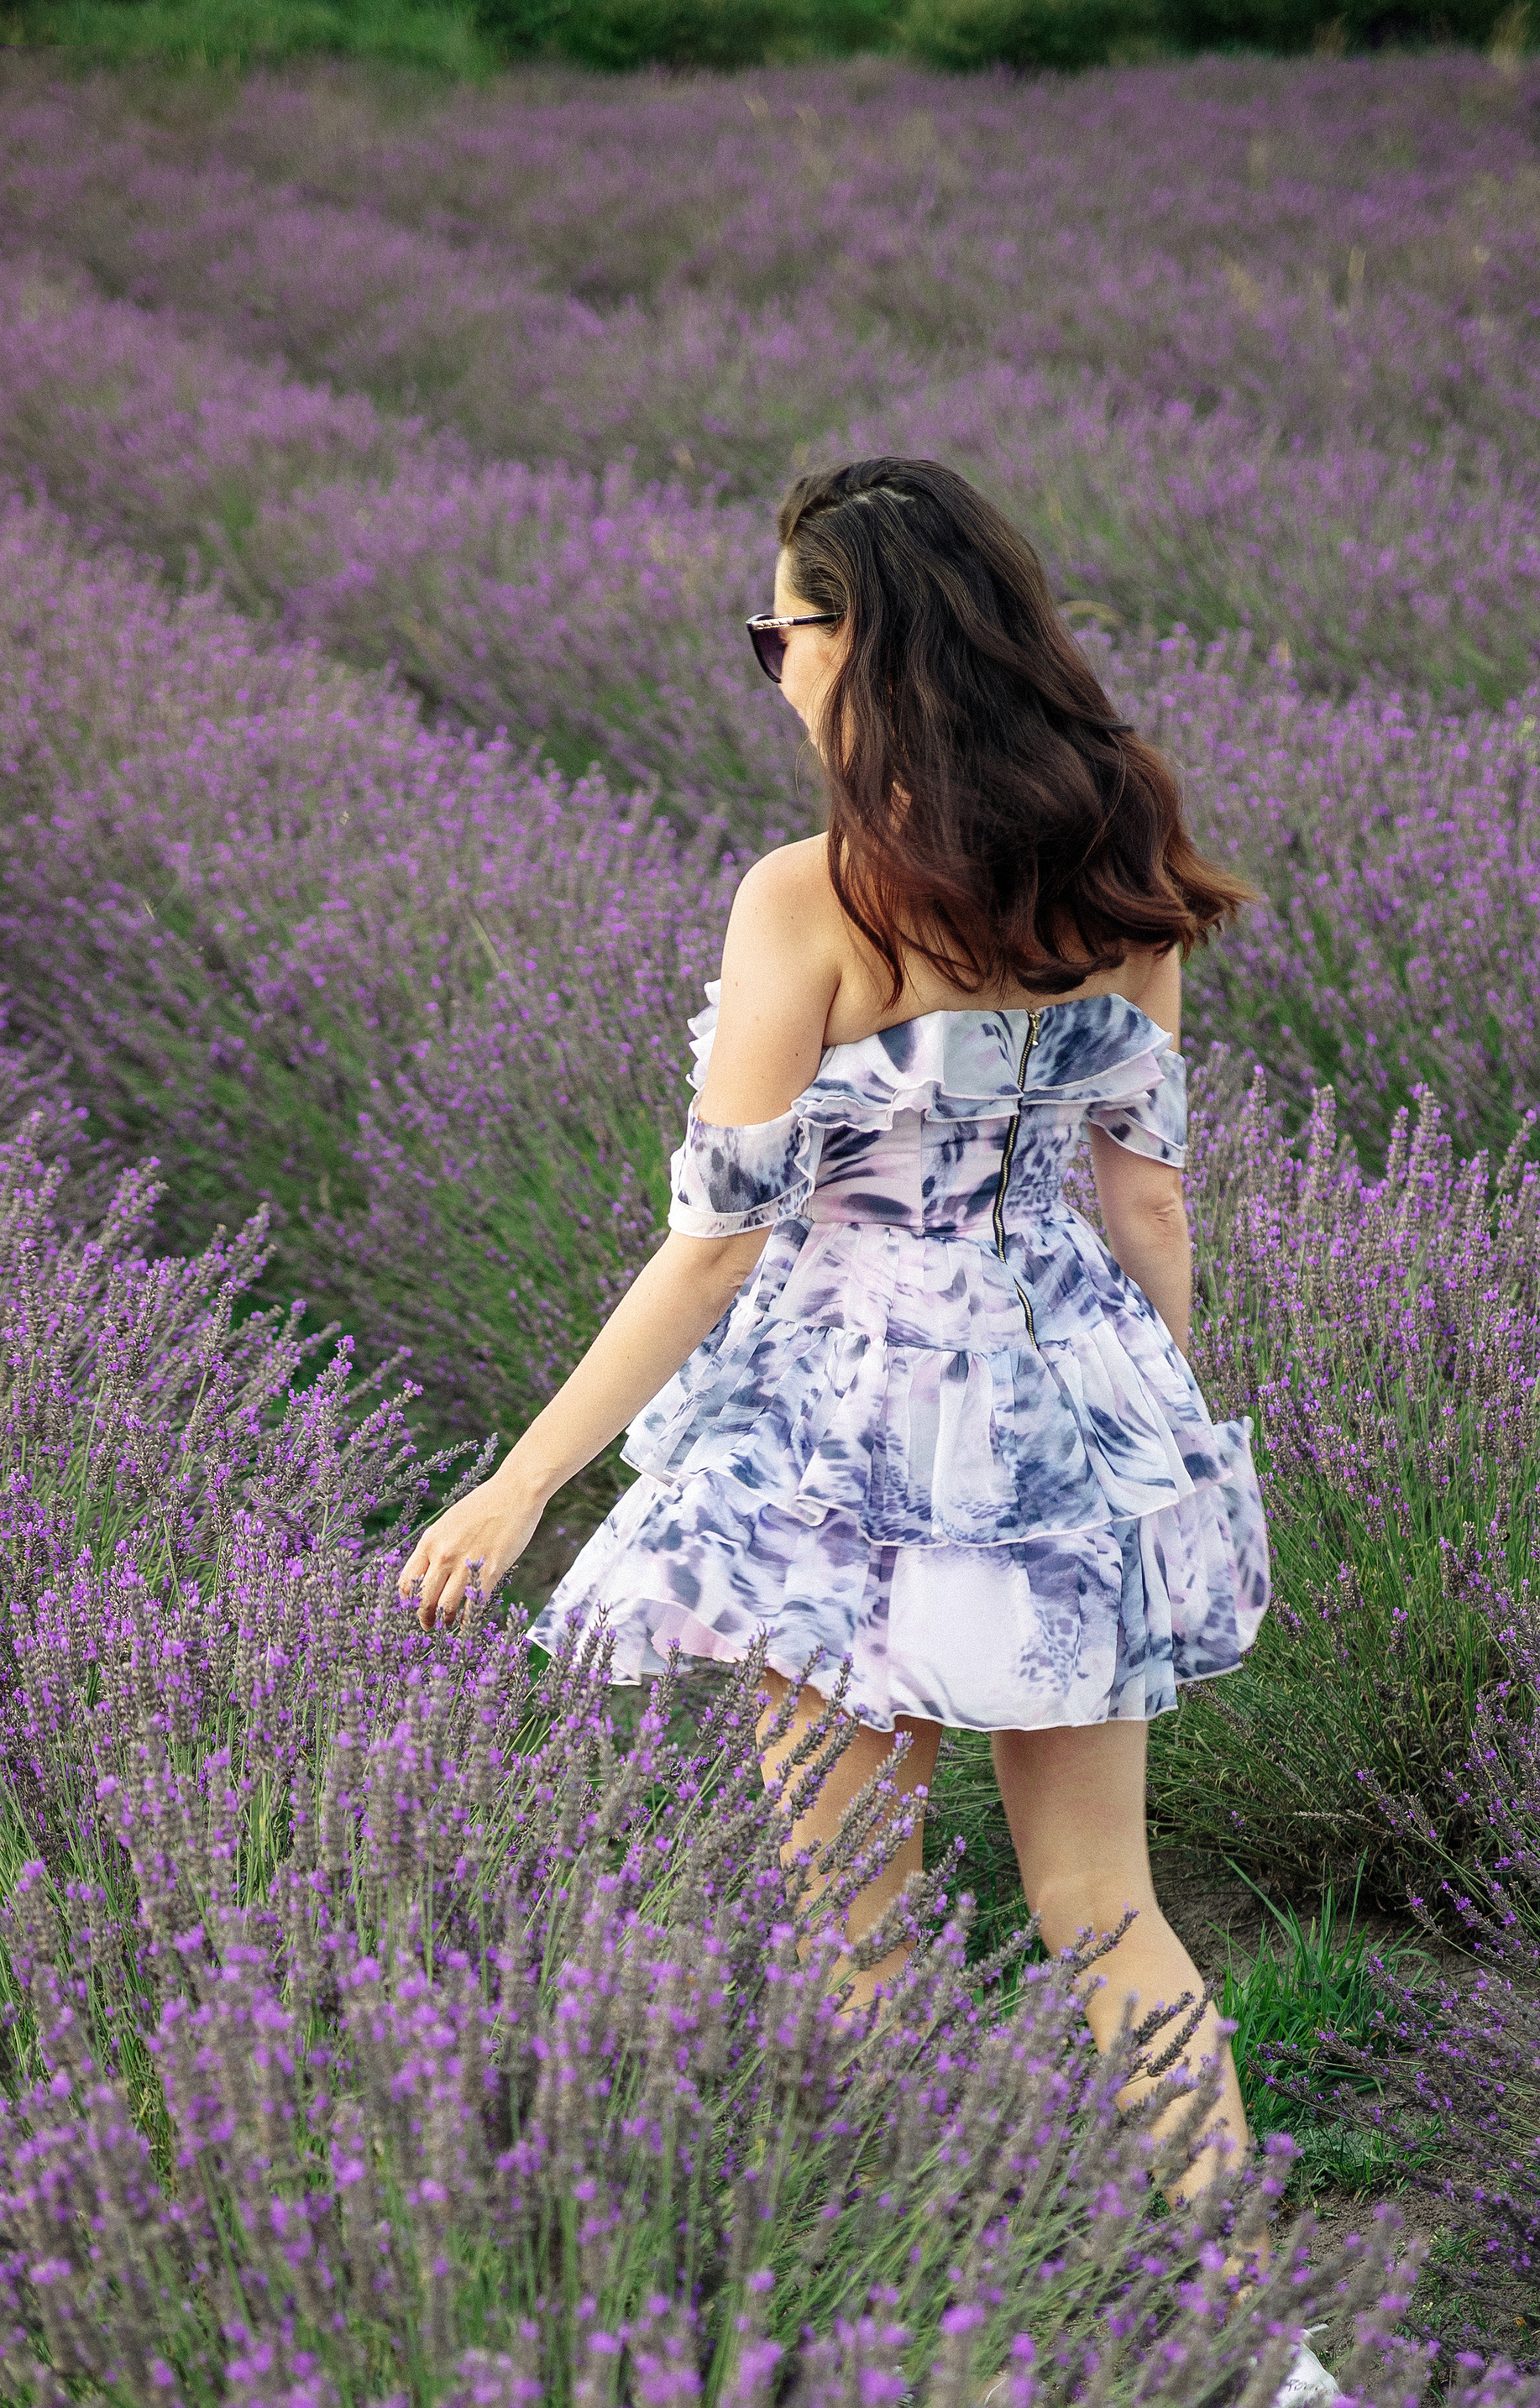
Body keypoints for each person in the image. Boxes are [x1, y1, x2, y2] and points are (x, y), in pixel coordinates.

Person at [398, 455, 1271, 2196]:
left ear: (856, 642)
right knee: (1104, 1909)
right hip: (1070, 1403)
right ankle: (1260, 2340)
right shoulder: (1120, 846)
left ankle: (934, 2322)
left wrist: (520, 1488)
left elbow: (713, 1248)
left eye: (774, 632)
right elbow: (1145, 1204)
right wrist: (1147, 1433)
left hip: (841, 1432)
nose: (772, 665)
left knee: (855, 1926)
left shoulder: (811, 893)